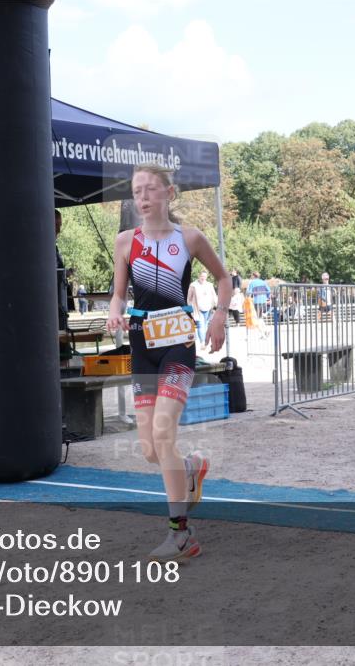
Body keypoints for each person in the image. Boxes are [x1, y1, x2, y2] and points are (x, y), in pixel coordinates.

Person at [106, 163, 229, 563]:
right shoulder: (126, 241)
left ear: (169, 193)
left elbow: (224, 279)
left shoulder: (190, 238)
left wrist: (219, 315)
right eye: (137, 191)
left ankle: (181, 534)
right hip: (143, 346)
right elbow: (119, 294)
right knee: (150, 449)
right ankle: (191, 467)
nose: (142, 198)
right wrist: (114, 312)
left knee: (163, 434)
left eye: (150, 190)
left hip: (177, 346)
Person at [186, 270, 217, 353]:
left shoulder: (209, 285)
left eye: (205, 276)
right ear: (199, 276)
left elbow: (214, 295)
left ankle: (205, 341)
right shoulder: (193, 285)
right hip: (197, 309)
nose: (203, 278)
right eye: (202, 276)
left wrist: (215, 305)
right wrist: (190, 309)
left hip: (208, 308)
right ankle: (202, 343)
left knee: (205, 325)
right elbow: (189, 298)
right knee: (200, 325)